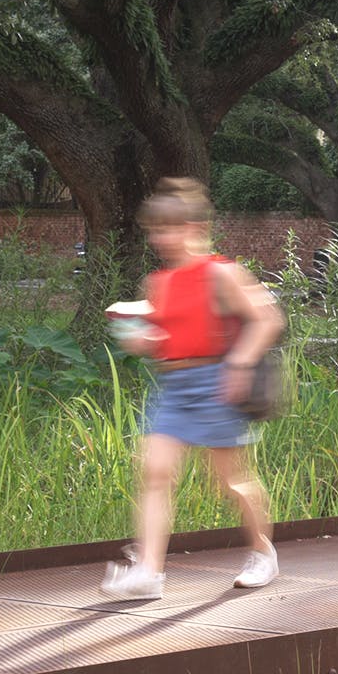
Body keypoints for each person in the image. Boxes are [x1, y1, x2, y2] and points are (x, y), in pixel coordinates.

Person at [102, 178, 284, 600]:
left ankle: (263, 552)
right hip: (174, 385)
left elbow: (268, 319)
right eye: (157, 230)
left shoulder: (221, 273)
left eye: (173, 227)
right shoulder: (159, 283)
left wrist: (239, 362)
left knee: (230, 482)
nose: (163, 237)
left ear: (196, 226)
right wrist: (138, 337)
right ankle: (149, 571)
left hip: (216, 383)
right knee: (155, 471)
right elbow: (161, 341)